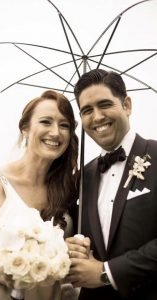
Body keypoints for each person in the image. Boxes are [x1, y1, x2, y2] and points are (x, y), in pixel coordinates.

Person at [0, 90, 79, 300]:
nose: (56, 132)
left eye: (64, 125)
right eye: (46, 122)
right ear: (25, 128)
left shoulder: (66, 194)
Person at [66, 69, 157, 300]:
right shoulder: (82, 178)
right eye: (87, 110)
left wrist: (107, 273)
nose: (96, 117)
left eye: (104, 104)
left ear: (126, 105)